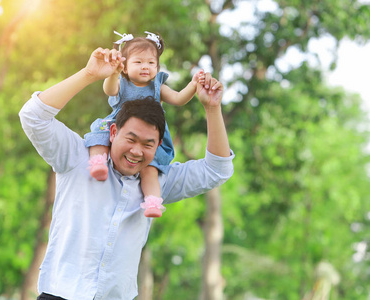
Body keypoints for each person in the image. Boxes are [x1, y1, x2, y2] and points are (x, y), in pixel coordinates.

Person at [19, 47, 234, 300]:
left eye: (148, 144)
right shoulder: (77, 157)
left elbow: (216, 170)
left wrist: (212, 109)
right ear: (112, 133)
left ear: (159, 146)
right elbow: (33, 116)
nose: (136, 151)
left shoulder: (158, 181)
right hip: (60, 294)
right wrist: (89, 74)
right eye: (130, 139)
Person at [85, 31, 203, 218]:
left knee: (150, 170)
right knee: (99, 135)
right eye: (138, 62)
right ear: (124, 67)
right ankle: (98, 162)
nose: (145, 67)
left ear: (157, 66)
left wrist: (193, 85)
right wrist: (113, 74)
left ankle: (153, 202)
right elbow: (109, 90)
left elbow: (179, 99)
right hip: (118, 125)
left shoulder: (158, 86)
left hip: (148, 135)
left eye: (151, 63)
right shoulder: (122, 83)